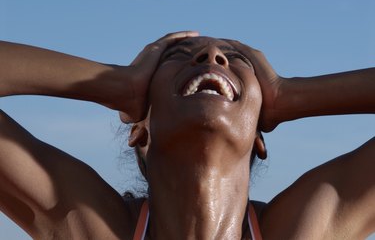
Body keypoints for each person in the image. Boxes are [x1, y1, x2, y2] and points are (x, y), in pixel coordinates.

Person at [0, 31, 374, 240]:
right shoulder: (92, 225)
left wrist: (290, 93)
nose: (212, 55)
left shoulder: (302, 229)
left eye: (235, 58)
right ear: (140, 131)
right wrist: (116, 83)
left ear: (260, 137)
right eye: (176, 55)